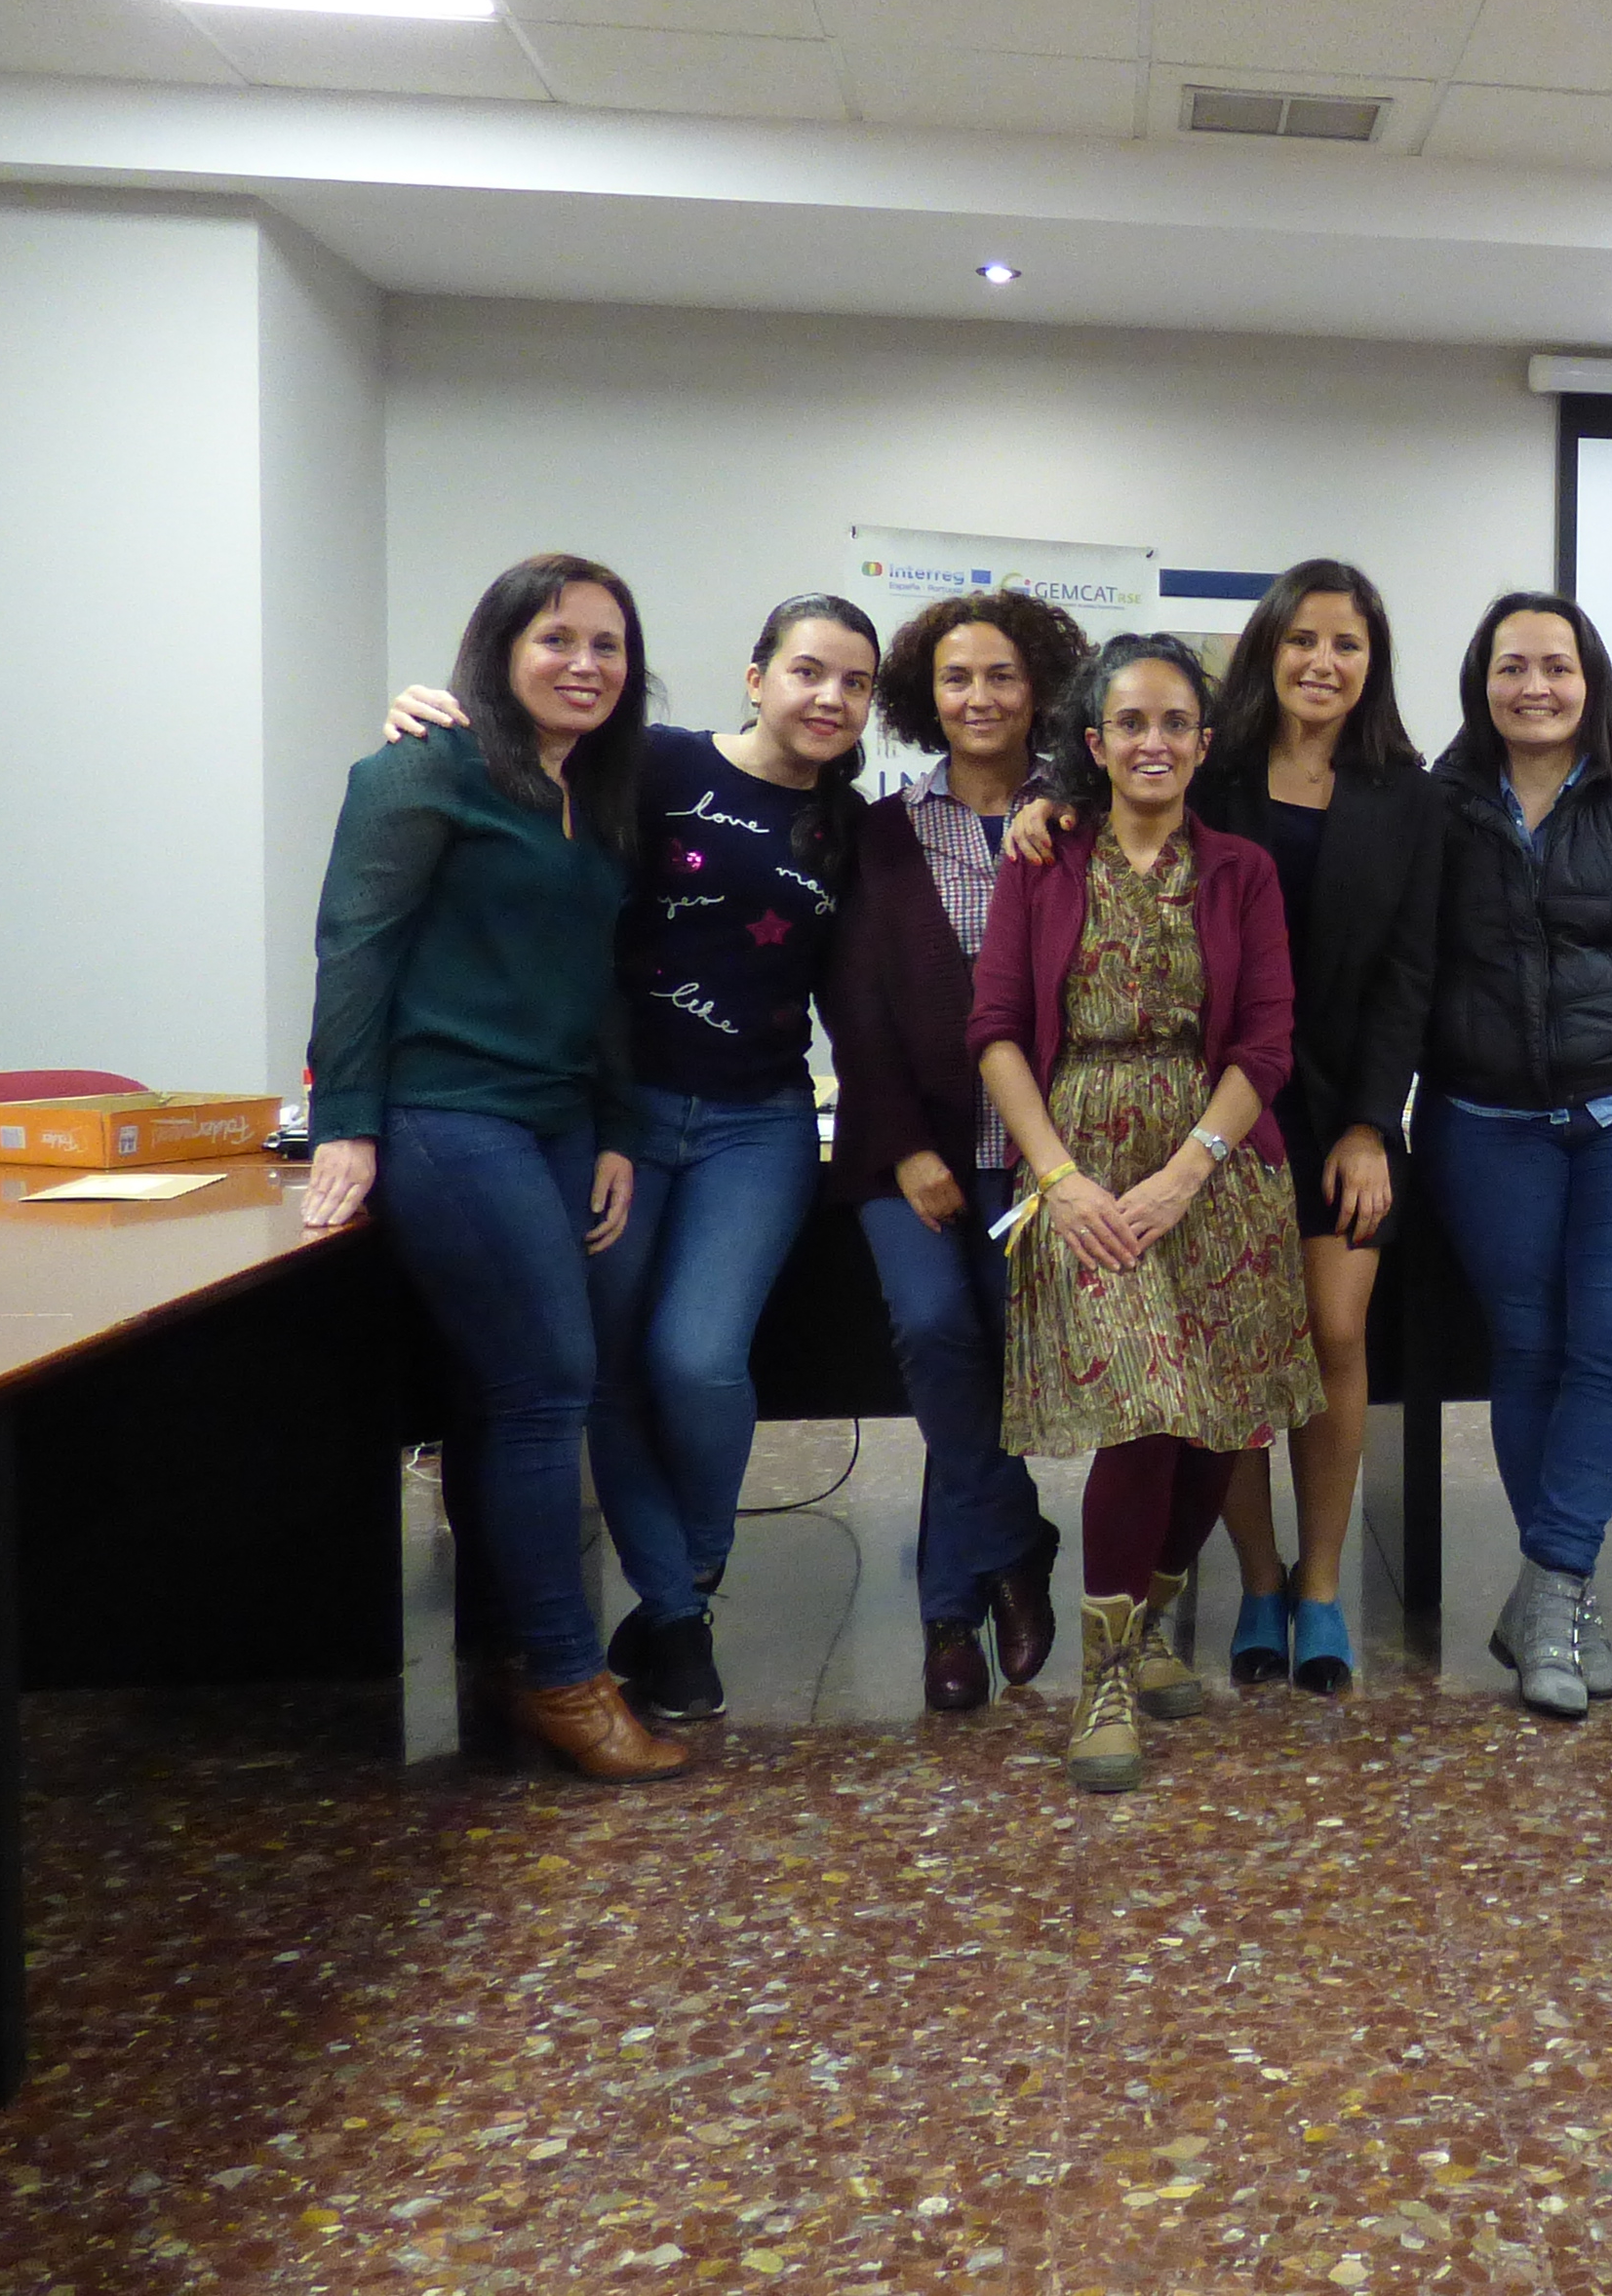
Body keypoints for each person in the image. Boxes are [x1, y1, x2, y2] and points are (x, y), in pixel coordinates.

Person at [383, 596, 885, 1726]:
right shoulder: (653, 766)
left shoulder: (853, 827)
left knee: (698, 1359)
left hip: (759, 1124)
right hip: (615, 1120)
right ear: (755, 677)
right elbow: (523, 754)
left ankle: (689, 1569)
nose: (829, 697)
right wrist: (430, 718)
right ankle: (674, 1618)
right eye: (808, 670)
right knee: (603, 1370)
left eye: (855, 684)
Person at [304, 553, 678, 1781]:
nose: (585, 665)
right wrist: (345, 1120)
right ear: (499, 650)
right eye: (556, 640)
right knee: (547, 1383)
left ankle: (507, 1650)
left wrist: (615, 1125)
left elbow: (601, 979)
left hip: (558, 1117)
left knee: (497, 1393)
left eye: (608, 646)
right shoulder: (423, 766)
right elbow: (356, 946)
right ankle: (565, 1679)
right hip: (448, 1112)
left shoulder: (598, 792)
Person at [970, 634, 1327, 1794]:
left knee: (1218, 1427)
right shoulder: (1043, 860)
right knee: (1139, 1410)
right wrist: (1057, 1179)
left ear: (1205, 743)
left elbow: (1267, 1042)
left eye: (1176, 722)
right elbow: (996, 1031)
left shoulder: (1241, 870)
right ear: (1096, 741)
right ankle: (1105, 1680)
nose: (1154, 742)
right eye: (1131, 722)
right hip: (1081, 1169)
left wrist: (1186, 1173)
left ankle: (1152, 1621)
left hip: (1216, 1169)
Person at [1419, 591, 1612, 1721]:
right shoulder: (1440, 805)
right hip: (1485, 1121)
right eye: (1512, 666)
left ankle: (1548, 1588)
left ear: (1590, 678)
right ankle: (1567, 1605)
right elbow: (1411, 967)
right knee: (1530, 1347)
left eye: (1556, 665)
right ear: (1482, 682)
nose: (1535, 687)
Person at [820, 589, 1092, 1713]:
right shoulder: (881, 830)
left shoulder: (1082, 819)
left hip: (1042, 1159)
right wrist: (902, 1148)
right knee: (936, 1332)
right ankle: (1015, 1544)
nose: (980, 697)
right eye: (956, 678)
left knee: (985, 1367)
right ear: (923, 698)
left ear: (1040, 689)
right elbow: (855, 1005)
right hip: (913, 1154)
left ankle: (950, 1617)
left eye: (1002, 676)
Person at [1181, 562, 1438, 1697]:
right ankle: (1258, 1579)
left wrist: (1375, 1124)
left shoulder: (1406, 795)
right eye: (1302, 640)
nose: (1322, 662)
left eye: (1347, 644)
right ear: (1267, 650)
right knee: (1237, 1349)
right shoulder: (1211, 772)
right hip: (1222, 1103)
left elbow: (1410, 973)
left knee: (1334, 1331)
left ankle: (1322, 1584)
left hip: (1345, 1108)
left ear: (1373, 664)